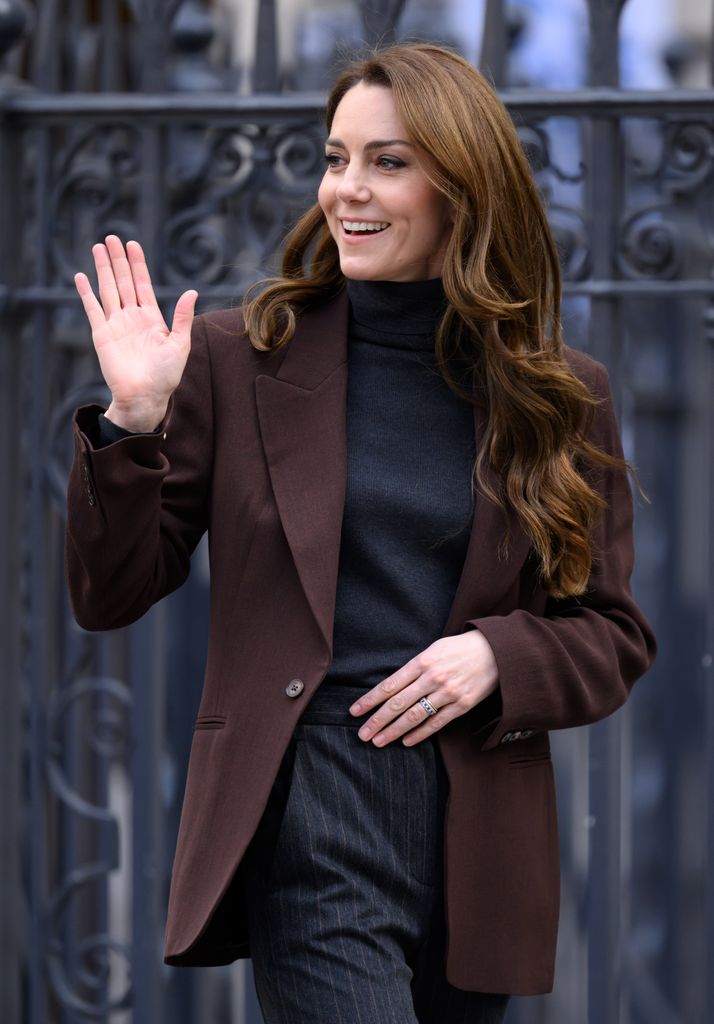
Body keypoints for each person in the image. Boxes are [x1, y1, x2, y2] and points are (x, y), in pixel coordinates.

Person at [66, 43, 656, 1024]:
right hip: (311, 806)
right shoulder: (238, 358)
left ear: (463, 187)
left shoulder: (559, 390)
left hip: (478, 834)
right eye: (336, 158)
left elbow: (614, 632)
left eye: (389, 162)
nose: (348, 189)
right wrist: (132, 425)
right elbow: (109, 592)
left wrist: (497, 656)